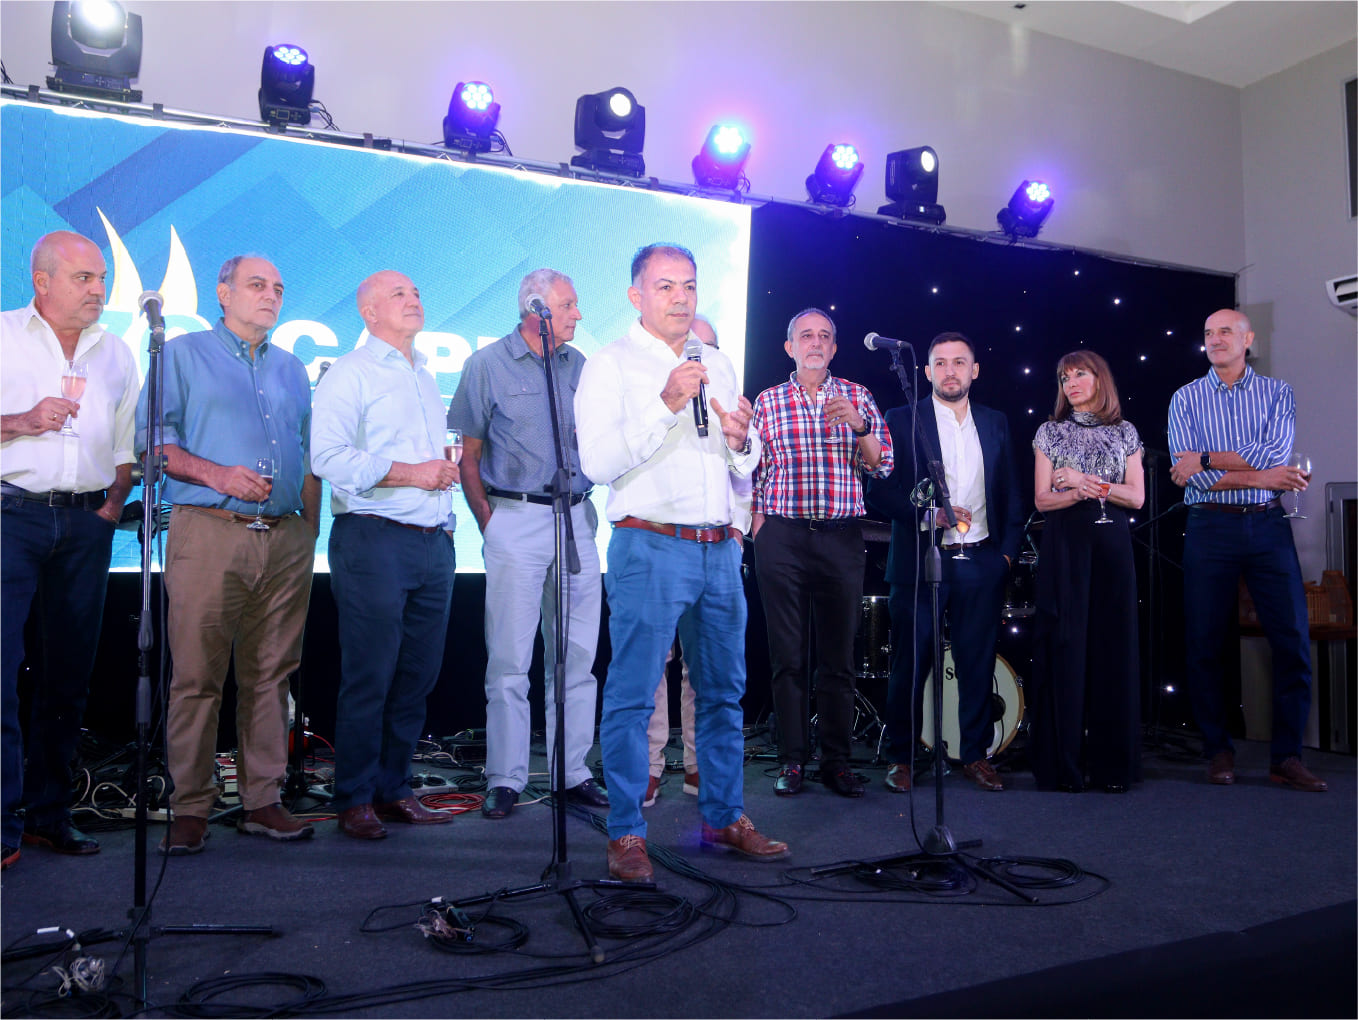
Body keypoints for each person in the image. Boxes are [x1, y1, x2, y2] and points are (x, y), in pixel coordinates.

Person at [575, 244, 788, 883]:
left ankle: (723, 815)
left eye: (689, 285)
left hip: (718, 546)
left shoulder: (716, 361)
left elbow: (740, 463)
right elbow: (596, 464)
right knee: (634, 695)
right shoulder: (610, 364)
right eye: (665, 285)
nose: (680, 297)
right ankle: (626, 831)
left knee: (722, 693)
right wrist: (665, 402)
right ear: (636, 295)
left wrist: (743, 442)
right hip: (649, 543)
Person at [136, 254, 320, 855]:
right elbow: (151, 444)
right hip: (210, 529)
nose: (271, 296)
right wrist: (217, 474)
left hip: (286, 539)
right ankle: (191, 805)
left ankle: (262, 800)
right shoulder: (181, 354)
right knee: (197, 677)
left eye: (279, 288)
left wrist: (309, 529)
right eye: (257, 285)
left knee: (271, 676)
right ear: (222, 293)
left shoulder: (293, 368)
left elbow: (308, 456)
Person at [448, 268, 608, 820]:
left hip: (576, 518)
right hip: (514, 517)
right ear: (535, 308)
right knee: (510, 658)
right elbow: (468, 454)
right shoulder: (486, 364)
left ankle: (572, 771)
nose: (578, 314)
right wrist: (488, 521)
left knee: (577, 656)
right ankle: (505, 777)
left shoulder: (578, 364)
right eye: (569, 305)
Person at [1, 230, 138, 870]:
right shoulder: (3, 334)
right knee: (2, 673)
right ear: (42, 281)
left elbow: (125, 444)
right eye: (84, 278)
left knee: (68, 677)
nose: (98, 289)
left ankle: (48, 815)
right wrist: (21, 422)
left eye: (102, 278)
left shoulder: (116, 351)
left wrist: (111, 506)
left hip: (86, 525)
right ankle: (2, 821)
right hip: (11, 516)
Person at [311, 270, 461, 839]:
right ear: (368, 312)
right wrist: (411, 473)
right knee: (370, 675)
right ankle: (353, 798)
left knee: (417, 677)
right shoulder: (350, 372)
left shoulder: (424, 374)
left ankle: (395, 788)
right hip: (374, 538)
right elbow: (327, 456)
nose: (414, 299)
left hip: (433, 541)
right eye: (398, 294)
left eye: (417, 292)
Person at [1168, 308, 1325, 792]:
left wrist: (1207, 459)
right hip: (1208, 526)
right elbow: (1186, 474)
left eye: (1225, 332)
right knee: (1204, 643)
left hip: (1267, 526)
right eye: (1208, 333)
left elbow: (1274, 454)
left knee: (1292, 640)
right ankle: (1218, 751)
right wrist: (1261, 476)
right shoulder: (1185, 398)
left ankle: (1287, 757)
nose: (1215, 339)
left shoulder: (1278, 392)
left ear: (1247, 339)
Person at [865, 332, 1023, 793]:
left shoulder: (995, 422)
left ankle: (975, 754)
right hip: (919, 561)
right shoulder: (901, 419)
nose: (950, 371)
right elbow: (879, 490)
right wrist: (926, 515)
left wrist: (1006, 557)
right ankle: (902, 757)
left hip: (981, 560)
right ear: (927, 371)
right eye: (940, 363)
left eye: (959, 362)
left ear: (974, 370)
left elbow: (1011, 493)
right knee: (910, 665)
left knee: (977, 663)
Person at [750, 308, 892, 798]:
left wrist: (860, 426)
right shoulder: (768, 401)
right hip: (783, 537)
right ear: (789, 347)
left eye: (824, 336)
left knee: (838, 658)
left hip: (840, 538)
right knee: (788, 656)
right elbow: (751, 470)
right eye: (806, 336)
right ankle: (792, 760)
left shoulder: (857, 396)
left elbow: (883, 466)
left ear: (834, 348)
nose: (815, 343)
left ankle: (837, 762)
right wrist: (758, 524)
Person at [1029, 351, 1144, 792]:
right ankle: (1064, 766)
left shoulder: (1125, 431)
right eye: (1065, 377)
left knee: (1113, 647)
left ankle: (1113, 767)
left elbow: (1136, 498)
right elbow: (1043, 499)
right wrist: (1077, 493)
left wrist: (1083, 481)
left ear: (1100, 379)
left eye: (1080, 374)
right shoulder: (1050, 431)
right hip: (1066, 544)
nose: (1071, 382)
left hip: (1112, 544)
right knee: (1066, 645)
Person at [644, 315, 721, 807]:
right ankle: (650, 767)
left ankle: (698, 765)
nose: (698, 359)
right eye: (691, 350)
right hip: (656, 540)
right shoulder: (654, 395)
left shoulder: (725, 392)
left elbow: (742, 474)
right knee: (652, 660)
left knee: (705, 665)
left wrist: (737, 528)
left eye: (706, 350)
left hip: (713, 544)